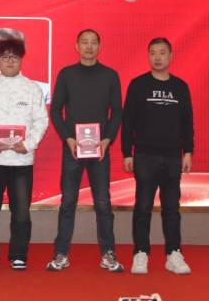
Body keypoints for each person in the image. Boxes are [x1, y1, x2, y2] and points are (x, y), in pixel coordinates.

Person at [46, 29, 124, 272]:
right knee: (68, 202)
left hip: (100, 150)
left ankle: (108, 254)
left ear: (99, 46)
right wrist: (68, 138)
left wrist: (108, 139)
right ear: (77, 46)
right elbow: (55, 110)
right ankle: (61, 253)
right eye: (84, 42)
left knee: (103, 203)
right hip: (73, 149)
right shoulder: (67, 74)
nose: (89, 47)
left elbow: (117, 111)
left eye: (93, 43)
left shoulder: (110, 75)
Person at [0, 37, 48, 271]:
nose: (9, 61)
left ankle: (18, 254)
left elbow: (41, 121)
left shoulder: (32, 88)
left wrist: (29, 144)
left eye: (14, 57)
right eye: (4, 57)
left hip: (21, 161)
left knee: (22, 212)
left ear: (21, 59)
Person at [122, 37, 194, 275]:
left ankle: (173, 253)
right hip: (145, 155)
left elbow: (187, 122)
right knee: (143, 207)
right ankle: (140, 253)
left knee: (171, 207)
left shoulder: (180, 87)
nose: (157, 57)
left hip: (173, 156)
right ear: (148, 56)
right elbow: (128, 121)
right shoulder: (138, 85)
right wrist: (127, 152)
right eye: (153, 53)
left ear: (170, 56)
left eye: (162, 52)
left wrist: (188, 151)